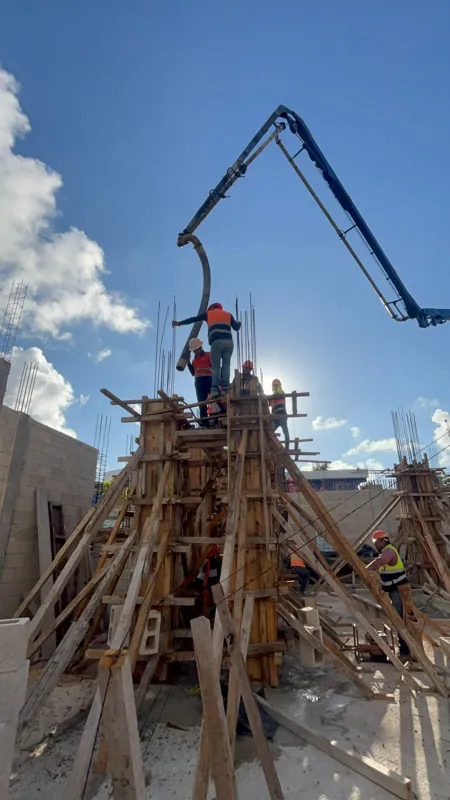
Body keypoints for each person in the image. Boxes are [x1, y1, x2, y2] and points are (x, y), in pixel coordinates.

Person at [172, 303, 241, 398]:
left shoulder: (208, 314)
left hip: (216, 342)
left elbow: (193, 319)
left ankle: (214, 390)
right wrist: (239, 323)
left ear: (211, 309)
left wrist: (179, 323)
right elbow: (236, 328)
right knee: (226, 365)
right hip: (229, 342)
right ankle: (225, 389)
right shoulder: (228, 314)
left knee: (216, 366)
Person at [366, 530, 410, 660]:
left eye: (376, 542)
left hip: (399, 591)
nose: (375, 545)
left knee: (399, 621)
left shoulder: (389, 551)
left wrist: (365, 568)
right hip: (394, 591)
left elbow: (380, 561)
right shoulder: (386, 551)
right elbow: (387, 576)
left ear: (382, 540)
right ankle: (405, 650)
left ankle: (405, 652)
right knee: (397, 620)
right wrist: (382, 588)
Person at [187, 337, 212, 426]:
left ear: (200, 347)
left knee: (217, 398)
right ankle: (205, 424)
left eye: (196, 350)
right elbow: (193, 373)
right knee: (202, 403)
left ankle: (222, 415)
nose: (195, 352)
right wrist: (188, 363)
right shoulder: (194, 361)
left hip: (210, 379)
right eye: (194, 351)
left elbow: (215, 367)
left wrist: (219, 379)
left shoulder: (209, 355)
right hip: (199, 382)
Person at [196, 544, 222, 618]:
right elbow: (201, 577)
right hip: (210, 586)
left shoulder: (217, 562)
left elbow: (201, 577)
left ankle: (211, 618)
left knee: (213, 603)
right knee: (208, 603)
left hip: (215, 585)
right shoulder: (208, 563)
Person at [270, 379, 289, 446]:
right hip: (275, 417)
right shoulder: (272, 397)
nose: (274, 387)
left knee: (285, 433)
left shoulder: (281, 393)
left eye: (275, 386)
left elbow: (279, 394)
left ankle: (287, 448)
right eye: (274, 386)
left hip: (282, 416)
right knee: (270, 432)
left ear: (278, 386)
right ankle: (271, 445)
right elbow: (269, 404)